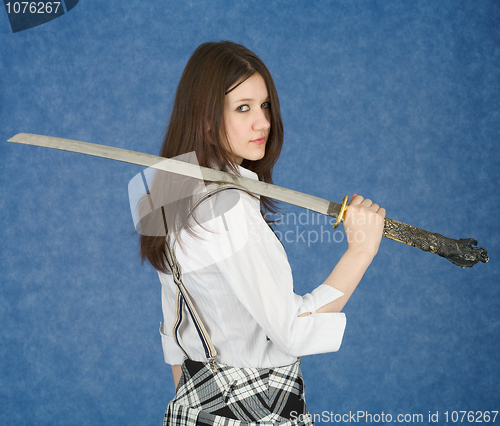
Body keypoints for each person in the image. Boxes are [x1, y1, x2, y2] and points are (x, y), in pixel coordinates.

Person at [137, 41, 385, 425]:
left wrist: (202, 411)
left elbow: (174, 333)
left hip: (191, 408)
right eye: (243, 108)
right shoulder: (229, 208)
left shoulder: (164, 191)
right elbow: (293, 331)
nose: (263, 122)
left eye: (265, 105)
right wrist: (361, 251)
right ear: (205, 118)